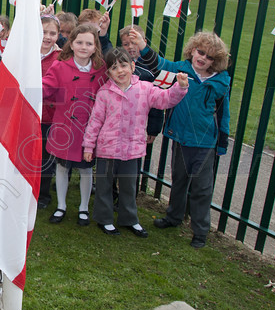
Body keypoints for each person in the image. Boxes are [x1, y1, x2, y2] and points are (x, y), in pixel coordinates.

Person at [128, 30, 231, 248]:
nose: (202, 58)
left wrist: (222, 141)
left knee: (202, 188)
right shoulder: (181, 70)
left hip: (204, 143)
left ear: (216, 61)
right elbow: (159, 64)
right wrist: (143, 46)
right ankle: (174, 217)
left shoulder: (220, 83)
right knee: (179, 181)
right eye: (200, 52)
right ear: (192, 50)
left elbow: (223, 113)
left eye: (209, 57)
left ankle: (200, 231)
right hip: (180, 138)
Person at [82, 48, 188, 237]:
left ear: (133, 66)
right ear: (108, 73)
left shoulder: (145, 89)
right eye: (114, 68)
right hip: (107, 149)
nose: (120, 71)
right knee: (104, 186)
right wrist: (89, 146)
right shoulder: (104, 93)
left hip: (132, 149)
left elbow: (165, 100)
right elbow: (95, 121)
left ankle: (129, 218)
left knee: (129, 187)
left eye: (123, 65)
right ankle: (104, 219)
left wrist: (179, 88)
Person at [42, 23, 108, 226]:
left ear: (95, 47)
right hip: (64, 126)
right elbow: (47, 87)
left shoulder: (101, 69)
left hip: (89, 128)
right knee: (62, 166)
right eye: (79, 42)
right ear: (71, 44)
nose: (83, 47)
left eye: (89, 43)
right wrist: (26, 88)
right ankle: (61, 206)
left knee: (86, 169)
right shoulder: (60, 66)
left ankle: (83, 208)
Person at [38, 14, 62, 208]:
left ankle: (43, 195)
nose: (47, 36)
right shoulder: (26, 53)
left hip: (49, 116)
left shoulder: (61, 57)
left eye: (52, 33)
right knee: (25, 154)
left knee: (46, 158)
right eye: (43, 31)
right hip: (26, 113)